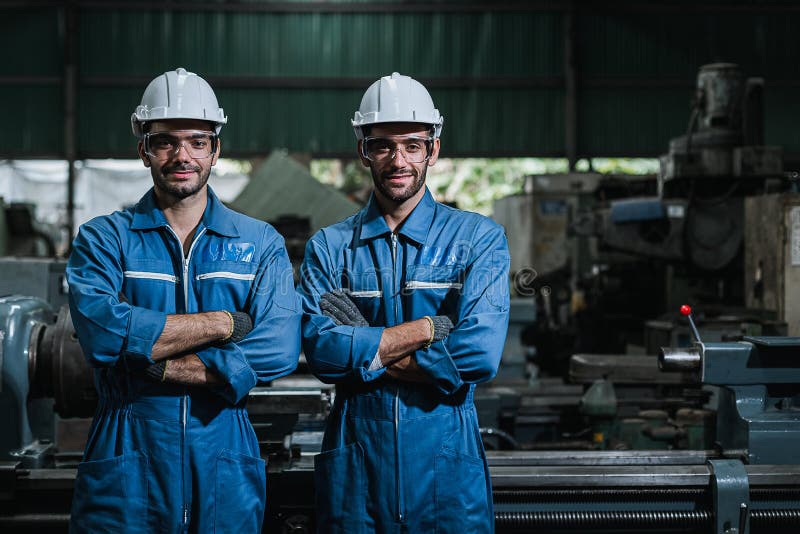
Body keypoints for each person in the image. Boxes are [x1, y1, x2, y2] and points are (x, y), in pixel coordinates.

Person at [67, 67, 300, 533]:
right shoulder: (104, 238)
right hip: (126, 449)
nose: (182, 154)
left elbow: (277, 347)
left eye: (197, 141)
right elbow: (101, 334)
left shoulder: (259, 242)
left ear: (215, 149)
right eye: (166, 141)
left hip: (223, 447)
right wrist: (224, 324)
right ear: (144, 150)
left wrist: (159, 363)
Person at [298, 72, 510, 533]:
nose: (399, 160)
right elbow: (324, 355)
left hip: (446, 470)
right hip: (357, 472)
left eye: (413, 145)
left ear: (433, 149)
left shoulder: (477, 240)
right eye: (383, 145)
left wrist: (365, 348)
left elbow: (479, 354)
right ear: (363, 150)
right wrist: (431, 329)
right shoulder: (329, 248)